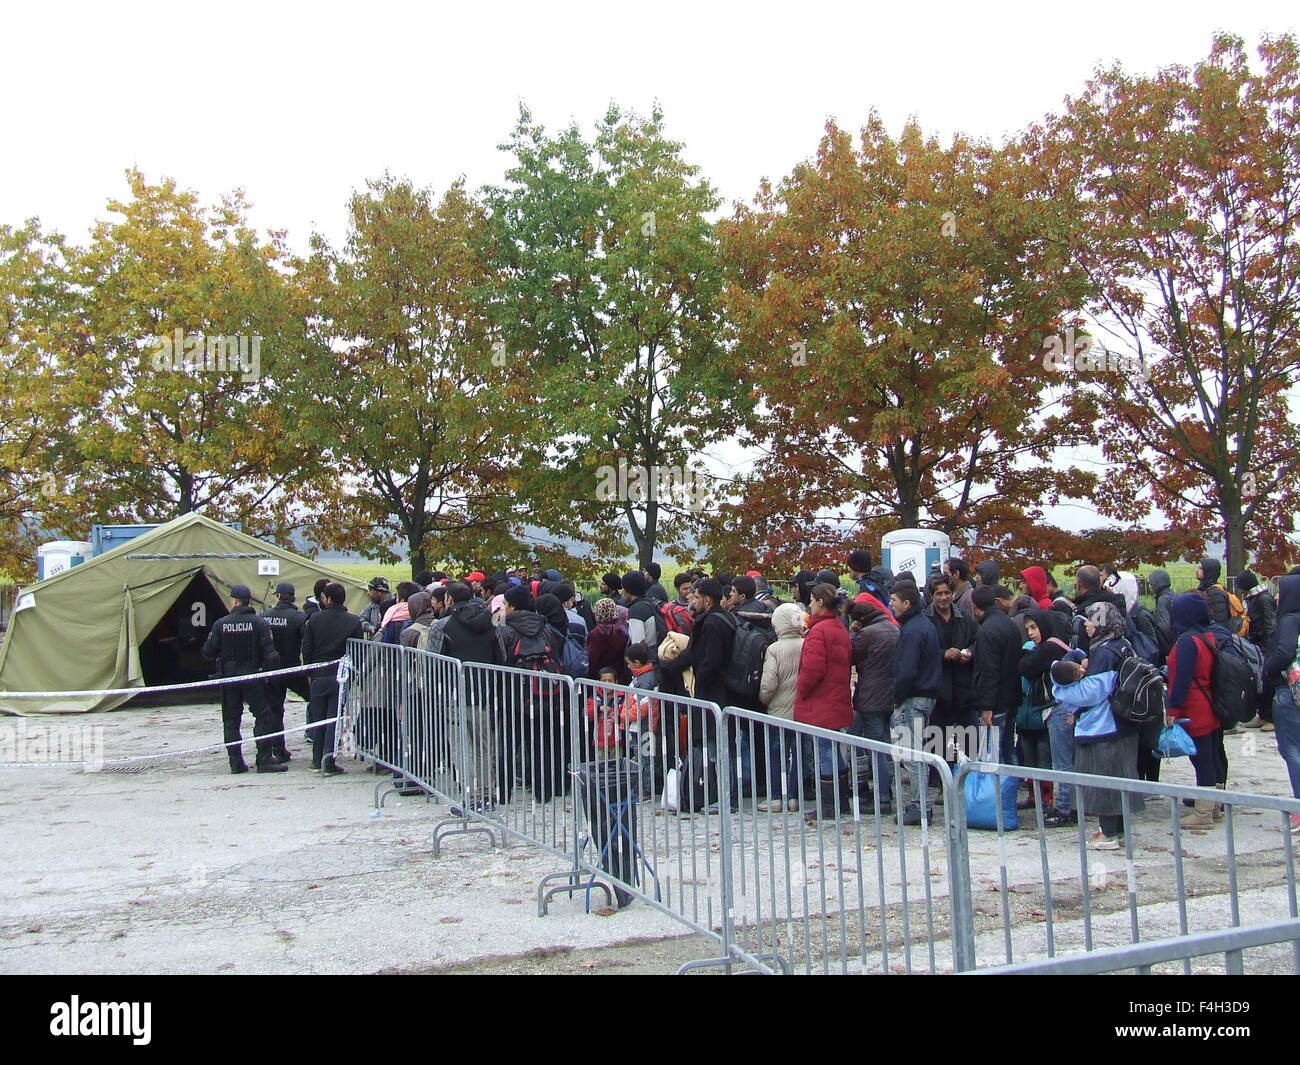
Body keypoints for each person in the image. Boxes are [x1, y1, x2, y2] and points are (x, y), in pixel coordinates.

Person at [202, 584, 283, 775]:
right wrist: (273, 678)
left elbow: (208, 652)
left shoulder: (221, 624)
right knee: (264, 716)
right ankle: (264, 760)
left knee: (231, 721)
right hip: (253, 677)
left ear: (234, 601)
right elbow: (270, 653)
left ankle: (236, 763)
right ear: (248, 601)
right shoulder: (260, 623)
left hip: (229, 679)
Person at [794, 584, 853, 821]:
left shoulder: (819, 631)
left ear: (819, 602)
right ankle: (841, 801)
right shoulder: (839, 628)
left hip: (820, 700)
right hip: (836, 695)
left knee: (824, 750)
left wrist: (801, 689)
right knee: (834, 748)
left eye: (811, 600)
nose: (809, 605)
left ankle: (828, 805)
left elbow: (813, 669)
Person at [1164, 593, 1223, 828]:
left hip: (1194, 706)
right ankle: (1215, 806)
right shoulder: (1206, 636)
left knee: (1201, 760)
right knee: (1211, 757)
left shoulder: (1187, 641)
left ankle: (1203, 814)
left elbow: (1183, 679)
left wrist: (1173, 708)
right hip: (1208, 702)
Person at [890, 581, 942, 825]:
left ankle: (920, 806)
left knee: (912, 754)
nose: (891, 604)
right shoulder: (924, 625)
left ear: (907, 603)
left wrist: (897, 696)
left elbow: (906, 670)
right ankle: (920, 804)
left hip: (914, 697)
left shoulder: (912, 630)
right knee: (916, 752)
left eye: (894, 600)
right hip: (926, 695)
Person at [300, 582, 363, 775]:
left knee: (318, 718)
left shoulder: (314, 620)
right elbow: (358, 652)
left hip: (318, 674)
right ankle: (329, 759)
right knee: (333, 719)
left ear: (326, 599)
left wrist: (309, 672)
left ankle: (316, 759)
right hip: (341, 676)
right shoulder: (353, 622)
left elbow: (307, 649)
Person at [1017, 608, 1071, 816]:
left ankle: (1064, 807)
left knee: (1060, 762)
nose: (1030, 633)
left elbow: (1025, 667)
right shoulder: (1046, 646)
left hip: (1057, 708)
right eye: (1027, 629)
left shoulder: (1049, 647)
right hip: (1043, 710)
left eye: (1033, 627)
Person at [849, 596, 900, 813]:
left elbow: (850, 655)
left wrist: (854, 632)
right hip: (890, 694)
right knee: (885, 745)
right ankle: (887, 790)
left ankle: (881, 798)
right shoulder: (893, 628)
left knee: (875, 746)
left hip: (870, 695)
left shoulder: (866, 634)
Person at [1261, 574, 1300, 835]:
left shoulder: (1289, 619)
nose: (1276, 597)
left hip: (1290, 691)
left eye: (1280, 592)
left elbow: (1285, 652)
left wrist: (1267, 669)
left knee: (1293, 750)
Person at [925, 574, 977, 767]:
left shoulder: (963, 618)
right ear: (932, 595)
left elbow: (975, 641)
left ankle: (966, 776)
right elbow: (922, 651)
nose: (944, 597)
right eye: (939, 594)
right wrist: (942, 654)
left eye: (947, 593)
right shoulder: (926, 620)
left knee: (968, 737)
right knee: (938, 737)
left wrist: (969, 652)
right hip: (938, 688)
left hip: (963, 686)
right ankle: (940, 780)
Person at [758, 602, 805, 812]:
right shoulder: (807, 644)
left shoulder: (774, 649)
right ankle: (795, 797)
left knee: (776, 754)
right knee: (799, 755)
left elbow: (769, 682)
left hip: (778, 709)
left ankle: (776, 797)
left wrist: (763, 699)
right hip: (801, 709)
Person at [971, 585, 1023, 767]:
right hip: (1011, 698)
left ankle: (996, 794)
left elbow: (989, 671)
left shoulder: (986, 631)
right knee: (1008, 750)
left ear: (975, 607)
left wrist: (986, 707)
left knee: (994, 755)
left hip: (995, 703)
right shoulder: (1010, 624)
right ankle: (1009, 791)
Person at [261, 581, 307, 764]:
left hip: (272, 670)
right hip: (293, 668)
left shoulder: (264, 617)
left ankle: (278, 749)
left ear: (278, 596)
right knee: (316, 701)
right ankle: (321, 742)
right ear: (293, 597)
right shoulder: (299, 617)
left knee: (275, 710)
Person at [1239, 571, 1278, 731]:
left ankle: (1270, 717)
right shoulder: (1255, 599)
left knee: (1266, 682)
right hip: (1257, 645)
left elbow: (1269, 624)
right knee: (1258, 682)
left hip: (1264, 646)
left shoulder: (1263, 599)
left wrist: (1268, 648)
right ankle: (1262, 715)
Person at [587, 598, 631, 684]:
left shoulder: (596, 634)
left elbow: (592, 660)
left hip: (602, 677)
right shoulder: (623, 630)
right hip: (619, 676)